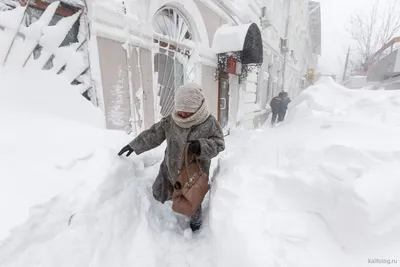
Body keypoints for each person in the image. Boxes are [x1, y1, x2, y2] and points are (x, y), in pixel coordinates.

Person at [118, 83, 225, 232]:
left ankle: (196, 224)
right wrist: (134, 145)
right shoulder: (172, 120)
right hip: (171, 168)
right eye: (180, 110)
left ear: (197, 108)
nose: (181, 114)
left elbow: (219, 144)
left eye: (186, 112)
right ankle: (157, 214)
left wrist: (201, 146)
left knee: (193, 200)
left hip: (194, 173)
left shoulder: (209, 123)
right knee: (159, 191)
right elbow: (154, 134)